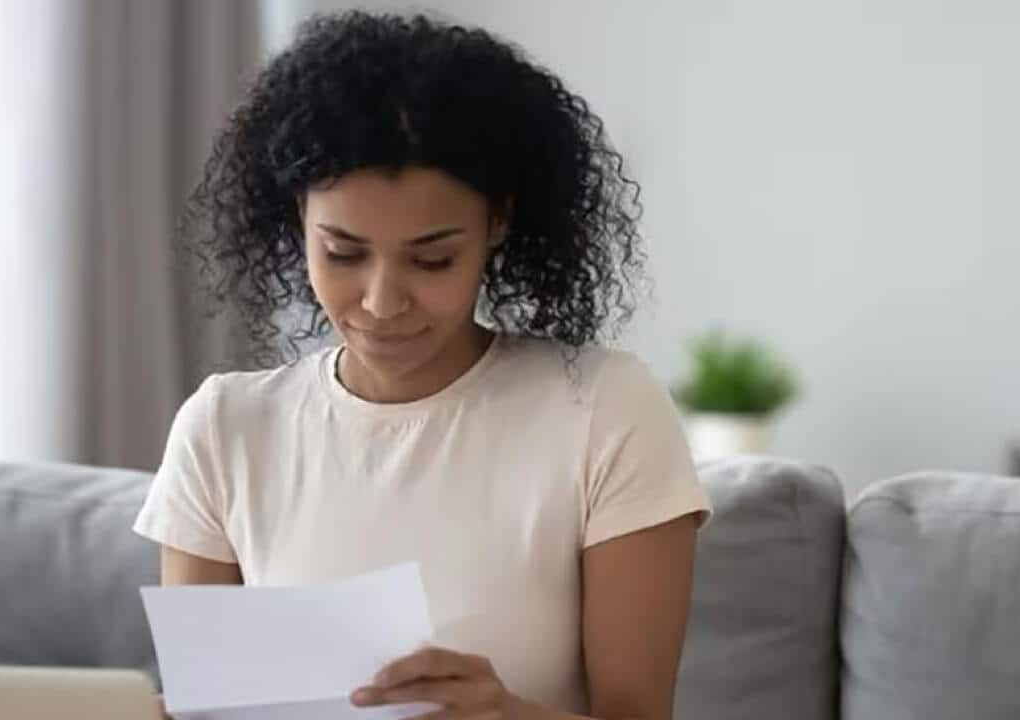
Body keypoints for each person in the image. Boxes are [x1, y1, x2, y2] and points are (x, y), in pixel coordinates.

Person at [133, 10, 710, 720]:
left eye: (432, 258)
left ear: (497, 224)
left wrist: (506, 715)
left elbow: (639, 712)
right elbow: (206, 706)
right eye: (342, 253)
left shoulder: (602, 410)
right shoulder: (225, 428)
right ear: (297, 223)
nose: (381, 302)